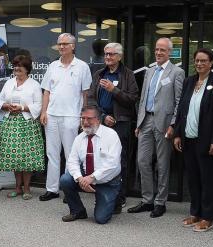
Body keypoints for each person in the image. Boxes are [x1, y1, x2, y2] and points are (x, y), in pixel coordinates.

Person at [173, 48, 213, 232]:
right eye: (197, 60)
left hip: (208, 140)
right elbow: (181, 109)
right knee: (193, 178)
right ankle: (195, 212)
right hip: (188, 138)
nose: (199, 64)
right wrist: (178, 133)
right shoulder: (189, 81)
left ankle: (208, 216)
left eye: (203, 61)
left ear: (211, 63)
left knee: (208, 179)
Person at [128, 37, 185, 218]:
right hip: (146, 121)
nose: (159, 53)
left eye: (162, 50)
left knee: (162, 164)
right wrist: (139, 123)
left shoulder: (177, 72)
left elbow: (179, 102)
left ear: (169, 52)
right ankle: (147, 200)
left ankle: (160, 202)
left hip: (164, 123)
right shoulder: (150, 71)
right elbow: (143, 99)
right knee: (142, 161)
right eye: (157, 49)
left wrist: (173, 125)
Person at [39, 33, 92, 201]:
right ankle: (52, 189)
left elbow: (86, 94)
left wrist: (83, 117)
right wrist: (43, 111)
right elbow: (46, 91)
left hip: (72, 116)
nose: (61, 47)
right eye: (59, 44)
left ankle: (69, 191)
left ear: (73, 46)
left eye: (65, 44)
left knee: (71, 155)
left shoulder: (82, 66)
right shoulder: (53, 66)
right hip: (52, 116)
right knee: (52, 154)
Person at [87, 42, 139, 214]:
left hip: (121, 123)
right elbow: (91, 99)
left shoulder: (128, 75)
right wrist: (102, 117)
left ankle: (120, 196)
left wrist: (114, 90)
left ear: (119, 56)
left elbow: (132, 99)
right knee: (101, 158)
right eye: (106, 54)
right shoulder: (98, 74)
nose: (108, 57)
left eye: (111, 54)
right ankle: (103, 193)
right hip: (101, 122)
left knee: (119, 160)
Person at [0, 55, 45, 200]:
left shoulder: (34, 84)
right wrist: (6, 106)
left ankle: (27, 188)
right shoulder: (9, 83)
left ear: (27, 69)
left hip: (27, 124)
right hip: (10, 122)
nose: (16, 68)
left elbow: (39, 106)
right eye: (15, 65)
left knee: (26, 157)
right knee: (15, 157)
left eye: (19, 66)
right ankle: (18, 187)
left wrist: (22, 107)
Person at [60, 105, 122, 224]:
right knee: (65, 180)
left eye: (89, 118)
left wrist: (91, 178)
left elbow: (112, 164)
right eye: (83, 118)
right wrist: (80, 178)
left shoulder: (111, 135)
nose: (85, 122)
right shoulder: (79, 138)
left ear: (98, 120)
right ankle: (78, 211)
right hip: (87, 176)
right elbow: (72, 161)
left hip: (107, 181)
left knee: (100, 219)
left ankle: (115, 200)